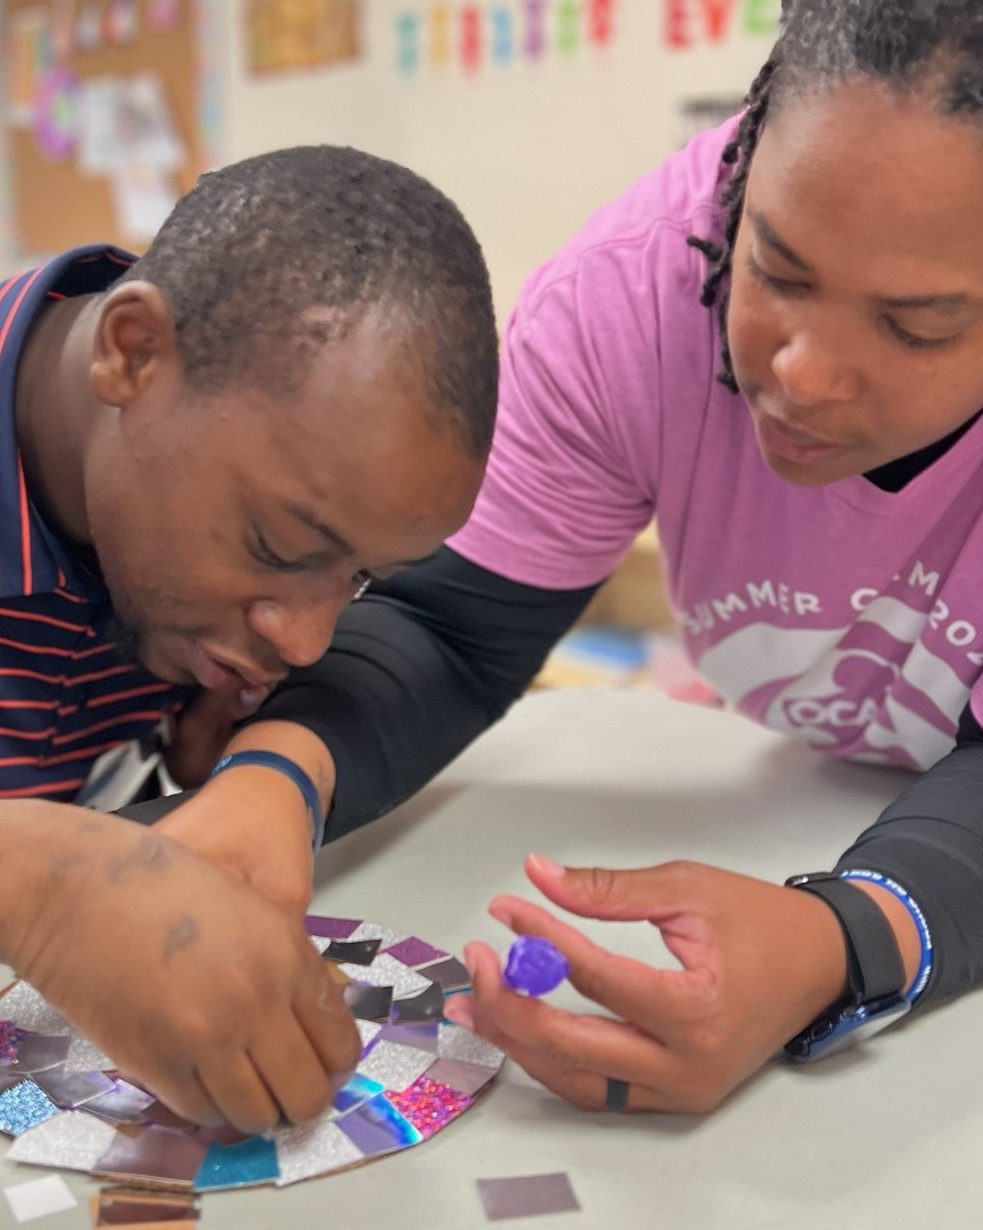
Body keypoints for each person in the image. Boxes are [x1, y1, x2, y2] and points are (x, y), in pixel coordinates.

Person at [184, 0, 983, 1116]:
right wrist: (274, 780)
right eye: (777, 269)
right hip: (815, 777)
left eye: (917, 328)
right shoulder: (633, 295)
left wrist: (849, 934)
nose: (800, 373)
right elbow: (452, 626)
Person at [0, 145, 498, 1132]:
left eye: (355, 581)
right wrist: (39, 885)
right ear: (132, 353)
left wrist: (185, 757)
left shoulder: (181, 541)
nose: (308, 639)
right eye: (277, 545)